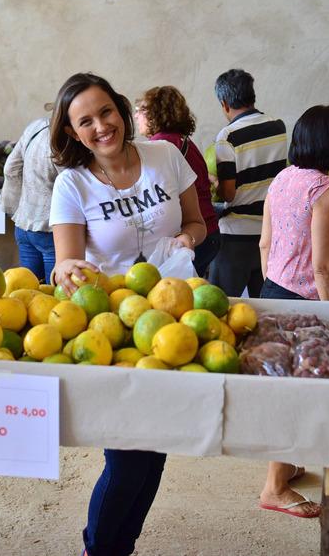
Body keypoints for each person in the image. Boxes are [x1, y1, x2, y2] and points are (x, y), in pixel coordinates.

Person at [48, 72, 206, 556]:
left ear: (120, 110)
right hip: (113, 329)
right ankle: (99, 549)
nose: (101, 126)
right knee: (127, 456)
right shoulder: (72, 185)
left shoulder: (166, 156)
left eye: (106, 112)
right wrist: (67, 270)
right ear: (74, 133)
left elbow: (198, 222)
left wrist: (188, 239)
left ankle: (118, 547)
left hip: (173, 317)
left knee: (154, 452)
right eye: (86, 121)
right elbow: (62, 265)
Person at [258, 104, 329, 518]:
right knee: (299, 396)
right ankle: (274, 487)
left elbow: (265, 244)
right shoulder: (325, 190)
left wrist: (276, 289)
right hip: (308, 303)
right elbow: (324, 265)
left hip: (273, 291)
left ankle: (289, 466)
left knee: (285, 390)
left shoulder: (282, 179)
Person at [209, 68, 287, 297]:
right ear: (252, 95)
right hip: (270, 232)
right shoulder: (278, 127)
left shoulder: (227, 136)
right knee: (265, 306)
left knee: (221, 303)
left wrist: (214, 182)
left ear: (224, 103)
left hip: (236, 236)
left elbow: (228, 193)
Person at [135, 85, 220, 277]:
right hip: (209, 231)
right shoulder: (184, 141)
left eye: (140, 110)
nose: (136, 116)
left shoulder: (161, 148)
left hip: (192, 235)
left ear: (155, 113)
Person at [1, 117, 60, 283]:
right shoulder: (65, 138)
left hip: (24, 225)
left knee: (29, 289)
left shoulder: (37, 126)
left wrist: (16, 209)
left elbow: (10, 168)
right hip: (51, 229)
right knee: (53, 294)